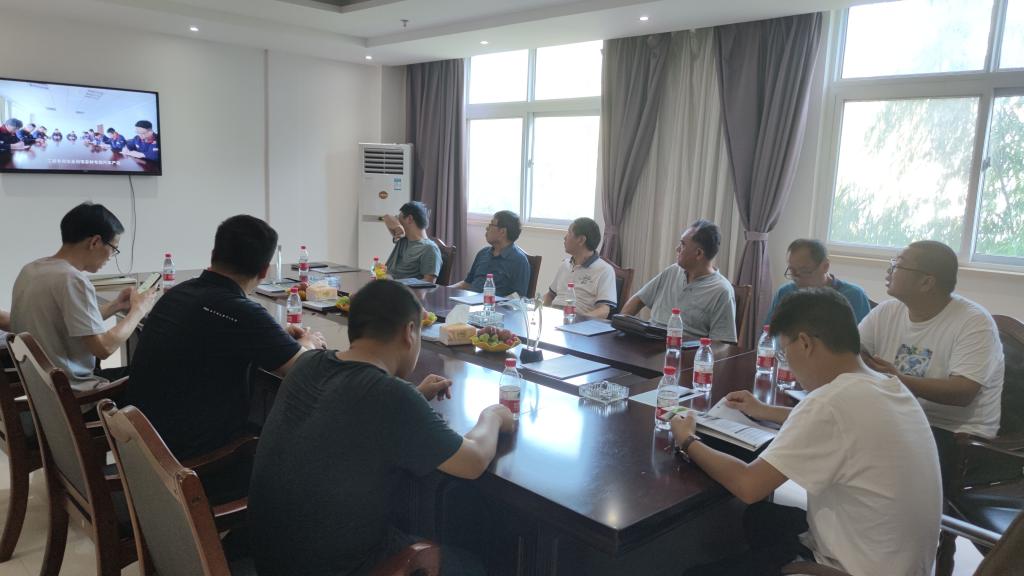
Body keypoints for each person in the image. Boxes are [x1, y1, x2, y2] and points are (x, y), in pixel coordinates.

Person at [250, 280, 513, 576]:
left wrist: (414, 396)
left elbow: (351, 411)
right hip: (338, 567)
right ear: (409, 332)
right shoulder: (390, 395)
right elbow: (473, 461)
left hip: (271, 558)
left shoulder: (307, 364)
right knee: (475, 565)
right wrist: (493, 415)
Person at [674, 288, 942, 576]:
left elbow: (748, 486)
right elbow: (844, 426)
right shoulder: (888, 385)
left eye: (784, 352)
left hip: (849, 571)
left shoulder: (829, 403)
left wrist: (688, 439)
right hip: (903, 564)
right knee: (762, 518)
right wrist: (764, 410)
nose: (787, 364)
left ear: (804, 343)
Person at [128, 215, 326, 461]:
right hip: (195, 460)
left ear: (213, 254)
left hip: (144, 446)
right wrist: (308, 343)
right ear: (264, 270)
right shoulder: (242, 312)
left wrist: (273, 337)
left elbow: (215, 334)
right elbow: (305, 369)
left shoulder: (178, 292)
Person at [858, 240, 1004, 487]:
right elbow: (851, 350)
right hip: (901, 418)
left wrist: (898, 380)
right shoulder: (888, 311)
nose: (889, 270)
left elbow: (963, 391)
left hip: (954, 435)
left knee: (863, 449)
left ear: (926, 282)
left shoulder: (974, 322)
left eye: (898, 265)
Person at [10, 202, 159, 391]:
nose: (111, 256)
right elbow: (104, 348)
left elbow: (69, 322)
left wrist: (115, 305)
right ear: (95, 242)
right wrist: (138, 310)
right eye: (114, 248)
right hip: (76, 394)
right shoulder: (72, 280)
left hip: (43, 391)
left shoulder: (31, 270)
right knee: (159, 375)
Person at [620, 219, 736, 341]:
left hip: (682, 349)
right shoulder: (673, 271)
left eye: (682, 245)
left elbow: (722, 345)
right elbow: (638, 300)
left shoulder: (722, 291)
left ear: (698, 253)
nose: (677, 249)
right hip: (648, 342)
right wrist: (620, 327)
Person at [767, 239, 871, 323]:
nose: (796, 278)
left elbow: (861, 340)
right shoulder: (785, 293)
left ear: (825, 266)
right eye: (792, 270)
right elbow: (768, 333)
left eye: (804, 271)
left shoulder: (853, 296)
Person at [543, 217, 617, 319]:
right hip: (554, 318)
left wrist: (579, 320)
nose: (565, 237)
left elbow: (603, 310)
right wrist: (539, 310)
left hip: (578, 321)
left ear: (581, 240)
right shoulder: (565, 265)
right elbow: (550, 295)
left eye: (569, 233)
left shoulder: (605, 270)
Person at [450, 210, 531, 297]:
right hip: (468, 302)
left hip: (493, 305)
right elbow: (467, 283)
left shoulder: (519, 261)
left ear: (502, 232)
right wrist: (444, 290)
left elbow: (519, 297)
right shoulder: (483, 253)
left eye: (491, 224)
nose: (487, 228)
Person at [382, 201, 442, 282]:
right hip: (387, 284)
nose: (397, 221)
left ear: (409, 219)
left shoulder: (430, 249)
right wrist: (398, 228)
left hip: (400, 288)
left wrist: (396, 283)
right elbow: (386, 217)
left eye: (399, 218)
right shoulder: (403, 239)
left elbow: (429, 283)